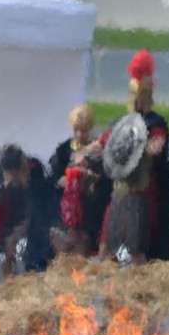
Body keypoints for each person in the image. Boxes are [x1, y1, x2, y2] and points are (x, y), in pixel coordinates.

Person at [91, 51, 169, 263]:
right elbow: (102, 144)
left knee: (137, 251)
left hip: (142, 195)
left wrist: (138, 146)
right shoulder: (121, 122)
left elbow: (155, 146)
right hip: (120, 192)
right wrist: (84, 153)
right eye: (134, 95)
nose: (138, 100)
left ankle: (141, 289)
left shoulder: (155, 124)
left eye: (142, 95)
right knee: (105, 250)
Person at [47, 104, 110, 256]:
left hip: (90, 211)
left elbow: (105, 182)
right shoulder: (63, 149)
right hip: (65, 211)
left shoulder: (99, 151)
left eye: (84, 130)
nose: (80, 134)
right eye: (76, 130)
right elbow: (54, 177)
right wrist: (70, 179)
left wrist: (87, 174)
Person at [0, 145, 56, 276]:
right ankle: (9, 280)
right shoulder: (2, 176)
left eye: (15, 174)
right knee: (8, 243)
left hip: (39, 217)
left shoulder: (35, 169)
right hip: (14, 217)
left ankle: (34, 269)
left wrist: (22, 228)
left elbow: (38, 205)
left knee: (35, 240)